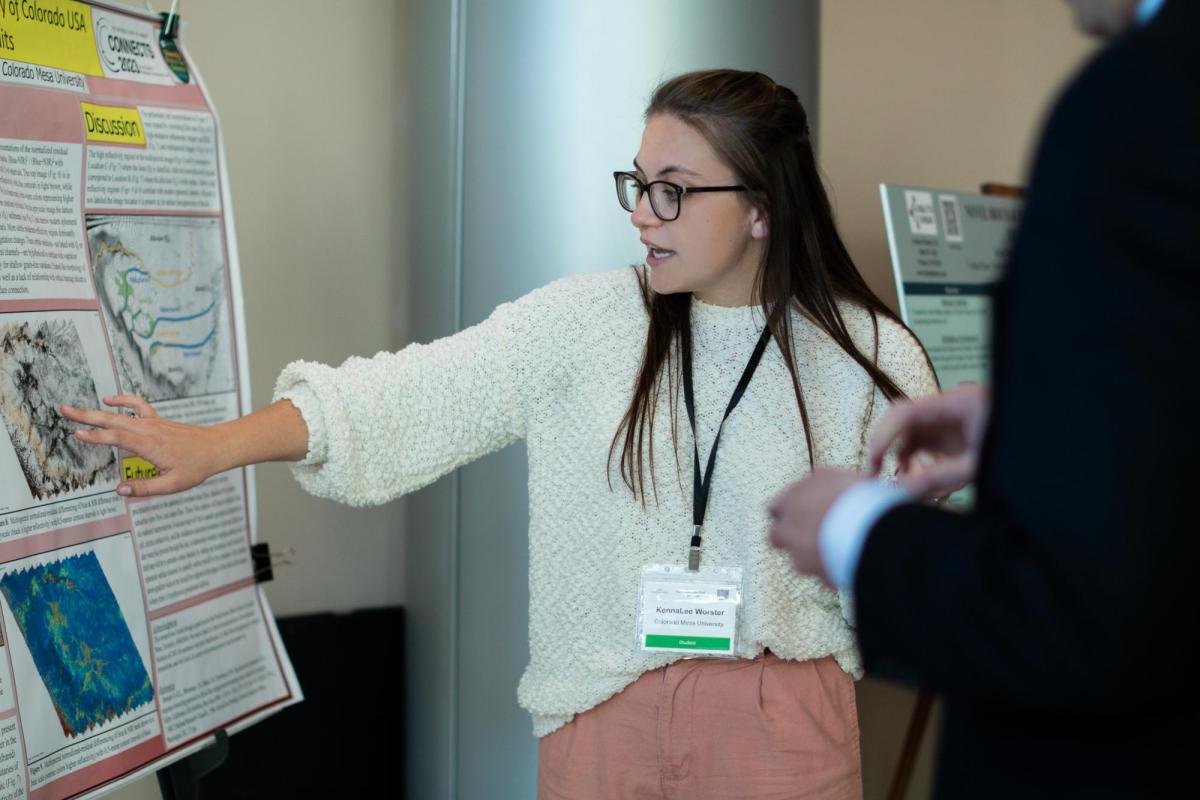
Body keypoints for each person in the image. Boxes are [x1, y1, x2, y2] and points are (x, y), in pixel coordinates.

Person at [64, 70, 936, 799]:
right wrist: (213, 445)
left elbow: (918, 571)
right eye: (637, 184)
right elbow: (400, 397)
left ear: (761, 207)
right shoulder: (585, 322)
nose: (642, 214)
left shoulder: (868, 358)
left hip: (777, 724)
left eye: (673, 190)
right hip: (600, 714)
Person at [767, 1, 1199, 797]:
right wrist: (1032, 420)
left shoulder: (1145, 102)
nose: (648, 213)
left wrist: (857, 533)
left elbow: (1081, 612)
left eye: (677, 188)